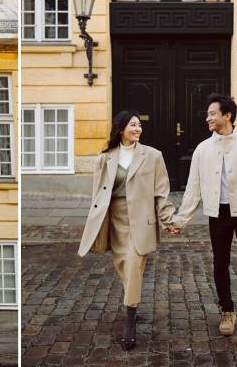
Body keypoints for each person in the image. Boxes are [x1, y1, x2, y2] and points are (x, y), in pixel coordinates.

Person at [168, 94, 237, 347]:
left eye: (212, 113)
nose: (208, 118)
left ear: (228, 115)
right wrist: (180, 221)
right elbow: (193, 189)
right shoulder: (203, 150)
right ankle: (227, 311)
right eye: (208, 114)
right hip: (218, 215)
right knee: (220, 263)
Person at [78, 110, 177, 351]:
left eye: (139, 125)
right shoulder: (104, 159)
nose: (138, 129)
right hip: (115, 220)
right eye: (132, 125)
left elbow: (161, 191)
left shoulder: (153, 156)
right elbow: (98, 195)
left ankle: (130, 320)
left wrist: (167, 219)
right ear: (121, 129)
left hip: (140, 221)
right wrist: (95, 223)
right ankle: (132, 302)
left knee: (133, 264)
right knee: (124, 267)